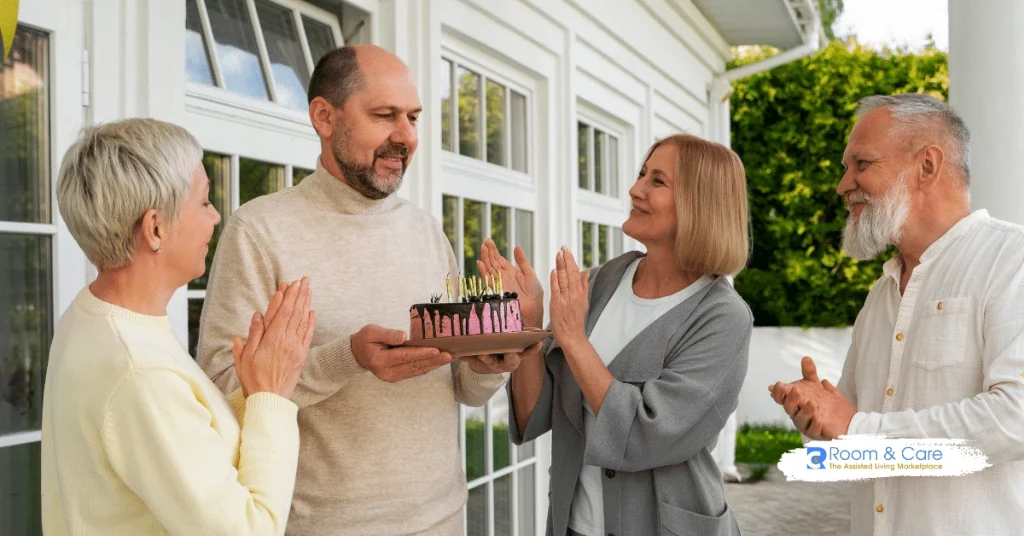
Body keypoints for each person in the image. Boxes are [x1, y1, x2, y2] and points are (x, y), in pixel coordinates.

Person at [197, 44, 519, 536]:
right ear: (324, 117)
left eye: (413, 116)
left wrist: (485, 365)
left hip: (443, 519)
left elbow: (462, 390)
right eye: (384, 115)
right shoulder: (259, 230)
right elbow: (221, 392)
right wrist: (346, 357)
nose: (406, 136)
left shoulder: (427, 231)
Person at [41, 118, 315, 535]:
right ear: (156, 228)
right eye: (204, 201)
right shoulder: (138, 371)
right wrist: (272, 397)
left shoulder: (93, 316)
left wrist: (250, 393)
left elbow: (172, 446)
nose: (216, 216)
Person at [769, 93, 1024, 535]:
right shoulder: (880, 295)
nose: (843, 185)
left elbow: (1015, 418)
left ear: (927, 166)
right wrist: (819, 419)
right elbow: (853, 433)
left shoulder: (1011, 262)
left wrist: (860, 429)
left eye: (861, 164)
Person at [481, 134, 753, 536]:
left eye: (657, 181)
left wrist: (573, 338)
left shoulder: (722, 318)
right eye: (642, 173)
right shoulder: (605, 281)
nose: (634, 188)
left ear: (700, 204)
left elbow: (648, 433)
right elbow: (537, 412)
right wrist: (529, 326)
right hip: (573, 526)